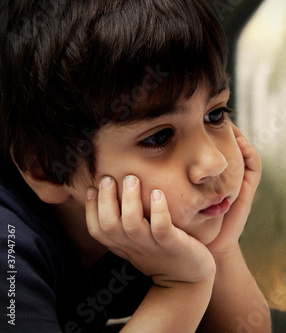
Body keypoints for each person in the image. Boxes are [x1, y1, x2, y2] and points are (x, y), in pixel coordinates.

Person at [0, 0, 271, 332]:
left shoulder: (169, 229)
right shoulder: (9, 249)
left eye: (215, 114)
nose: (215, 162)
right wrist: (181, 287)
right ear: (47, 168)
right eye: (159, 137)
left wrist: (220, 251)